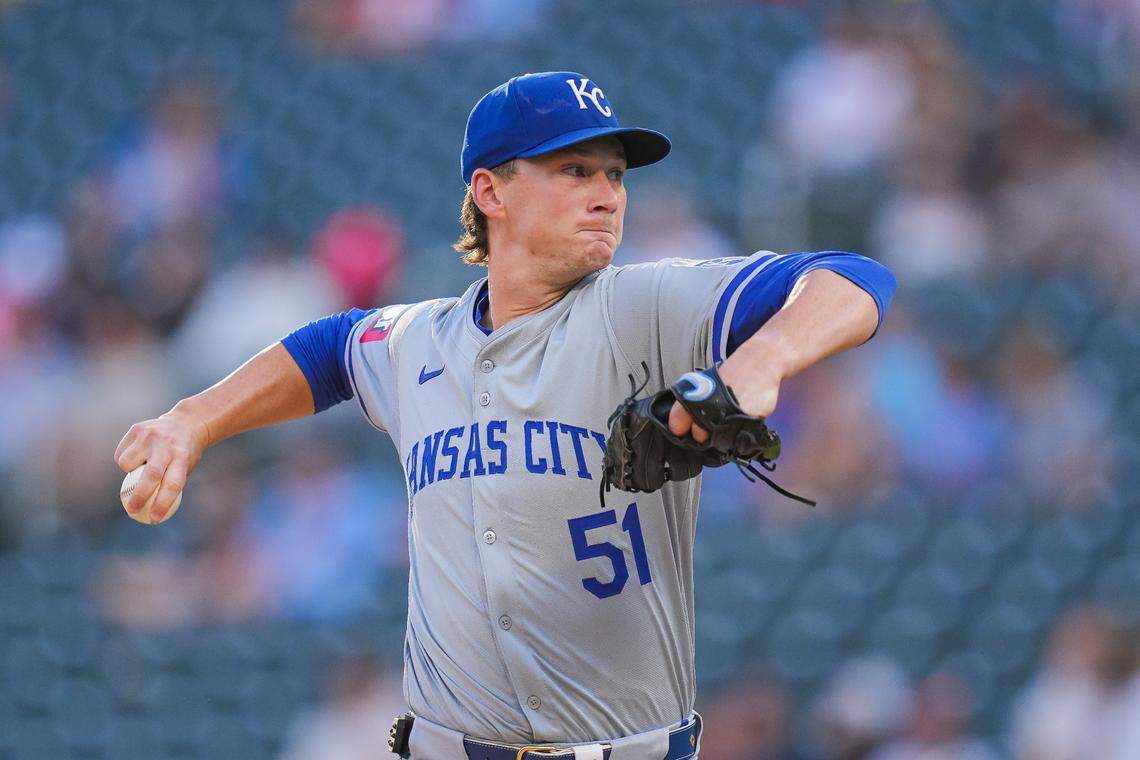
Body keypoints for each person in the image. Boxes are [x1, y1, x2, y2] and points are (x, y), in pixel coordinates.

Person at [115, 72, 897, 760]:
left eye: (615, 175)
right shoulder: (418, 340)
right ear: (491, 192)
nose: (607, 194)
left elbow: (855, 279)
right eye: (573, 169)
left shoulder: (647, 305)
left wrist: (760, 359)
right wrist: (193, 421)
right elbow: (328, 350)